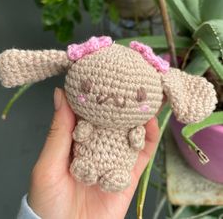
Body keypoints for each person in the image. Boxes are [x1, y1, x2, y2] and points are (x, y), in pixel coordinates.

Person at [17, 88, 160, 219]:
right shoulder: (90, 120)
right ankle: (86, 167)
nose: (112, 98)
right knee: (84, 164)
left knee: (118, 174)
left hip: (118, 166)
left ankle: (116, 174)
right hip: (87, 160)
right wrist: (82, 130)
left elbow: (138, 143)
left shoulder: (133, 128)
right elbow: (79, 135)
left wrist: (137, 137)